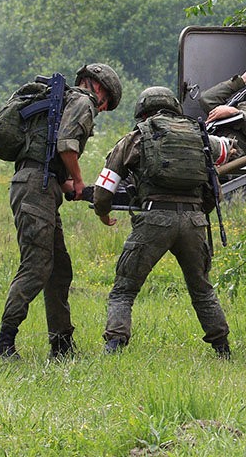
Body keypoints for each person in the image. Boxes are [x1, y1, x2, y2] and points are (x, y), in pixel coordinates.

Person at [0, 63, 122, 360]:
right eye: (105, 106)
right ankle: (4, 344)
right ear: (99, 89)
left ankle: (62, 345)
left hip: (41, 185)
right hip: (36, 188)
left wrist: (78, 188)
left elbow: (53, 161)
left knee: (59, 269)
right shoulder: (83, 100)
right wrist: (78, 179)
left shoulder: (62, 102)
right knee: (36, 266)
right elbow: (67, 146)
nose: (100, 111)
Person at [94, 86, 231, 357]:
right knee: (202, 290)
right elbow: (220, 173)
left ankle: (114, 345)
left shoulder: (136, 138)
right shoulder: (198, 136)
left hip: (154, 219)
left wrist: (102, 211)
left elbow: (104, 188)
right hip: (194, 222)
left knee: (124, 289)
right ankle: (222, 348)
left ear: (143, 112)